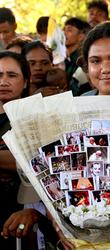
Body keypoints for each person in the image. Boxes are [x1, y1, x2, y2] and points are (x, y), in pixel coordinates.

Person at [0, 51, 29, 249]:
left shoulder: (32, 119)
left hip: (17, 220)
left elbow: (28, 161)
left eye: (11, 75)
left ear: (26, 81)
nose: (3, 81)